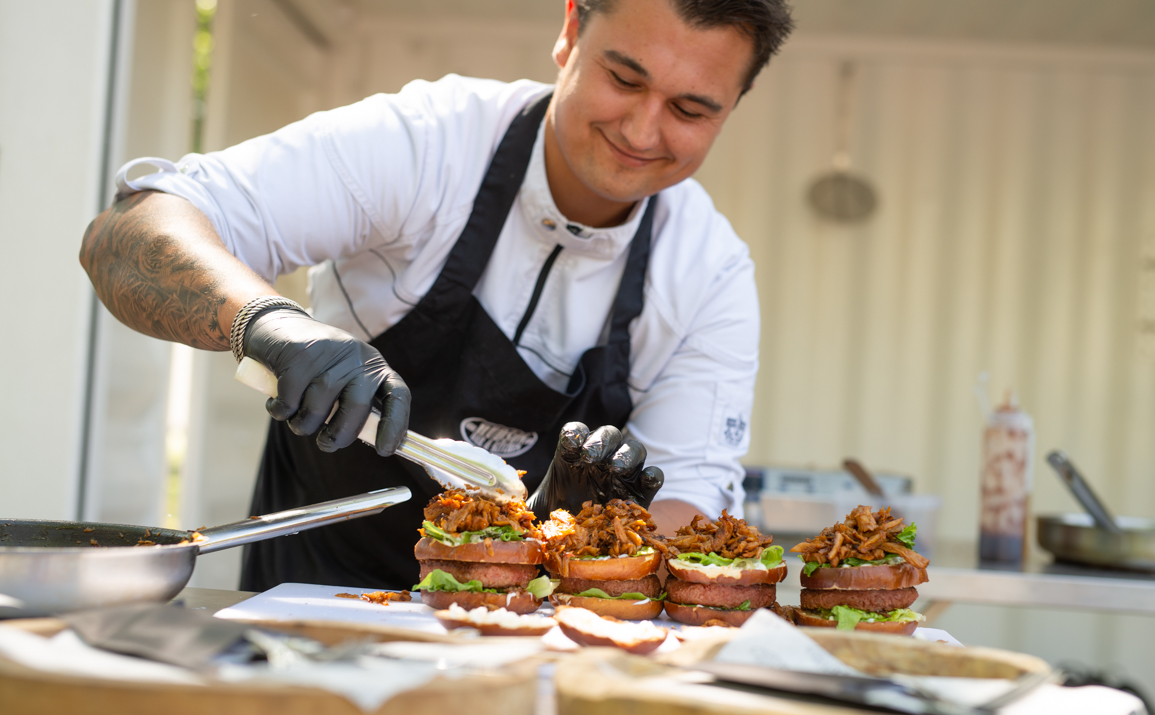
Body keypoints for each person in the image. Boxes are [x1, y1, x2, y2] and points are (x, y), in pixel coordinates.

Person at [79, 0, 794, 591]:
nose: (641, 130)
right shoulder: (427, 146)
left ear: (734, 104)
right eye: (623, 78)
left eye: (691, 110)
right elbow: (127, 233)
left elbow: (687, 503)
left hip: (526, 646)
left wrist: (582, 537)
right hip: (310, 611)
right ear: (571, 28)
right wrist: (267, 323)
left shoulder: (708, 273)